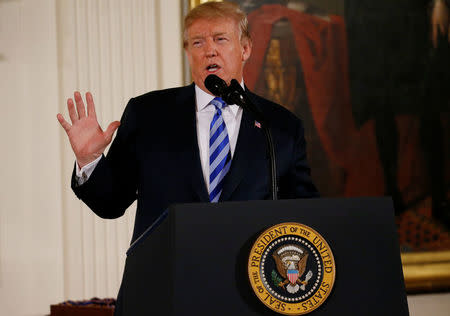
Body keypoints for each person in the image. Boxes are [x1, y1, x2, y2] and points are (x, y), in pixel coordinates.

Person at [57, 1, 318, 245]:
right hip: (167, 282)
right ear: (187, 52)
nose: (209, 50)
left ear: (245, 48)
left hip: (248, 284)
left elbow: (306, 215)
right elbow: (110, 203)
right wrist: (89, 160)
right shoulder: (148, 114)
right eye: (197, 42)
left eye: (220, 39)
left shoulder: (281, 126)